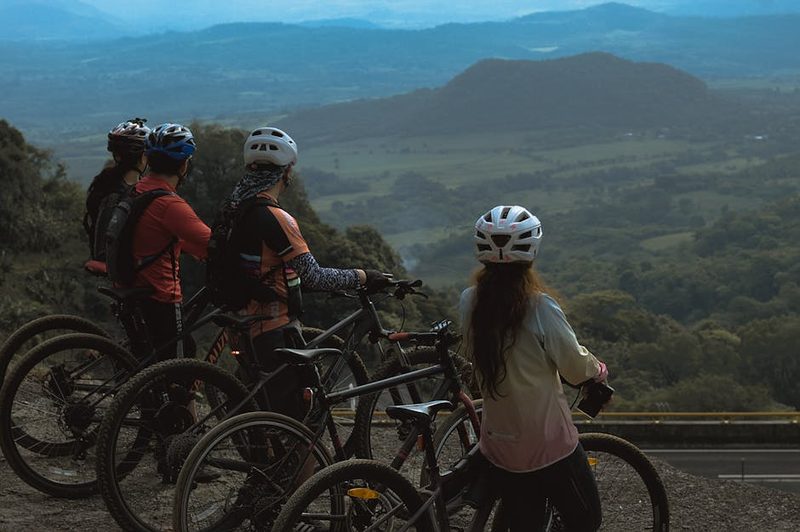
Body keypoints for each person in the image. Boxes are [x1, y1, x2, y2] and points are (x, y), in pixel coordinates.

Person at [224, 126, 390, 419]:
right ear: (286, 172)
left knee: (267, 417)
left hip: (239, 324)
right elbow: (314, 276)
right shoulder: (275, 218)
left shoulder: (233, 208)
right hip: (273, 329)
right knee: (303, 426)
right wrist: (364, 276)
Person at [459, 205, 608, 531]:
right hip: (546, 444)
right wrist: (597, 370)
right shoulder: (540, 307)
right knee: (586, 519)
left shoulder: (469, 301)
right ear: (531, 253)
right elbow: (574, 367)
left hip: (498, 444)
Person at [131, 123, 210, 358]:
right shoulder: (169, 204)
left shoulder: (137, 190)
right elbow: (213, 244)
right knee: (182, 357)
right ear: (184, 164)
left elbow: (155, 234)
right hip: (159, 294)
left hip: (132, 284)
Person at [83, 118, 150, 272]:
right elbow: (105, 245)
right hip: (124, 273)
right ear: (142, 157)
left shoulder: (106, 183)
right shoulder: (117, 195)